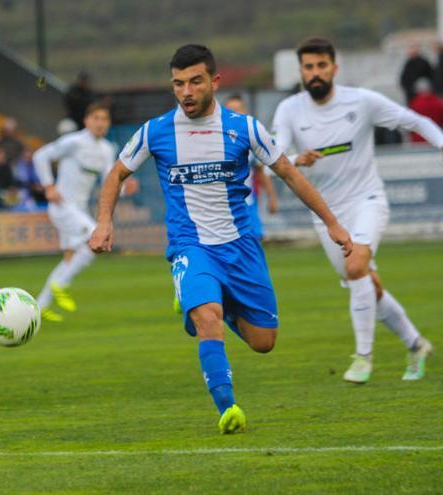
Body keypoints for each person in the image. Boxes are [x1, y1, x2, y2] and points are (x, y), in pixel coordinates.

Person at [90, 44, 352, 434]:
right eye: (178, 84)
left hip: (241, 247)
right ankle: (227, 407)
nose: (186, 92)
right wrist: (103, 222)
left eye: (195, 82)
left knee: (264, 341)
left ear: (214, 81)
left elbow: (290, 174)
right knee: (206, 318)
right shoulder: (156, 131)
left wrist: (332, 223)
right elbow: (116, 174)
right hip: (190, 245)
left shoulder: (245, 128)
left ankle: (217, 301)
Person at [272, 37, 439, 383]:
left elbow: (415, 121)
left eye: (321, 65)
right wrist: (295, 160)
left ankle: (363, 358)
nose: (315, 73)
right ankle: (416, 344)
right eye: (308, 67)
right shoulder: (290, 109)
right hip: (326, 216)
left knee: (356, 265)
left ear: (334, 68)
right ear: (301, 72)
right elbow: (272, 158)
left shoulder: (362, 101)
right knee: (368, 284)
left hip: (367, 201)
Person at [32, 102, 119, 322]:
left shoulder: (107, 149)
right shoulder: (73, 142)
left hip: (79, 209)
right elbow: (40, 156)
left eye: (104, 119)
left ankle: (39, 307)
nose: (100, 123)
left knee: (70, 258)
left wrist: (127, 186)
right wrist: (49, 186)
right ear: (86, 121)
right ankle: (60, 285)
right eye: (96, 118)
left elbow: (109, 179)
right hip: (62, 206)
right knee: (94, 242)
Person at [222, 95, 279, 239]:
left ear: (245, 112)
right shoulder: (215, 141)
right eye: (230, 110)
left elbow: (260, 171)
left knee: (254, 241)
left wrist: (272, 198)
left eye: (238, 110)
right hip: (221, 207)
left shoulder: (251, 140)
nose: (234, 114)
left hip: (246, 204)